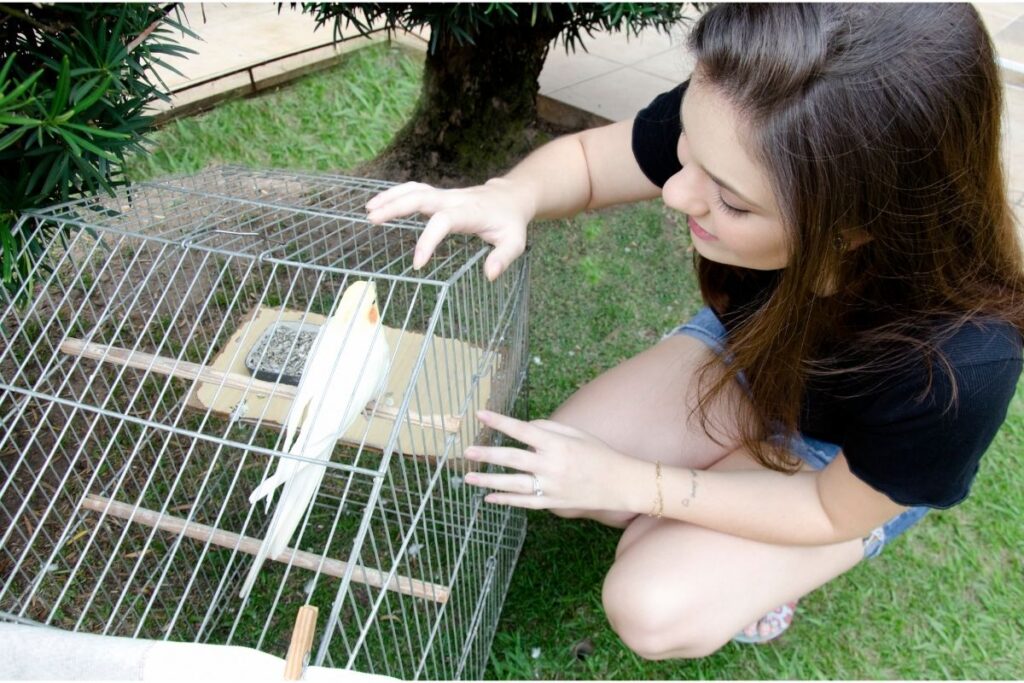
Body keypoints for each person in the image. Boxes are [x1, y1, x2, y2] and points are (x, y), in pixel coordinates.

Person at [365, 3, 1024, 658]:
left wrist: (635, 481)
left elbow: (831, 508)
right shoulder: (747, 112)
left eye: (733, 201)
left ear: (854, 224)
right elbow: (594, 163)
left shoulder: (963, 363)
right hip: (749, 354)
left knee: (651, 605)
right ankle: (716, 501)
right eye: (687, 145)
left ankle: (751, 570)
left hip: (842, 465)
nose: (677, 194)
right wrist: (511, 195)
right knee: (566, 462)